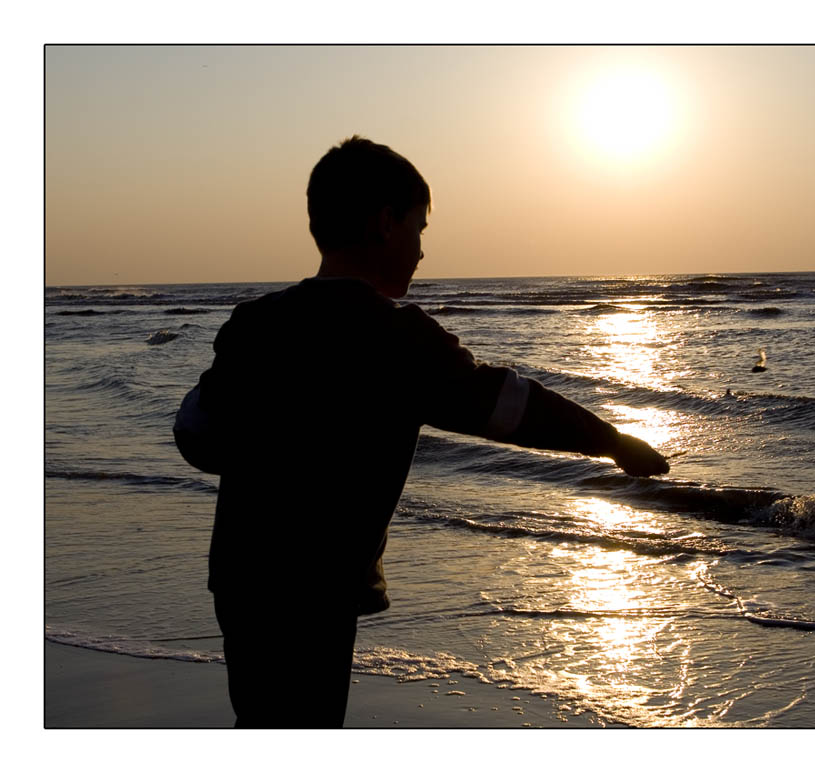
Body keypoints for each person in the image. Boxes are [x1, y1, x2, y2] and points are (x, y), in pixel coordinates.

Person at [173, 136, 669, 728]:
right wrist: (611, 440)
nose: (422, 251)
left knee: (263, 720)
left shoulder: (255, 323)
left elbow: (197, 434)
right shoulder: (396, 337)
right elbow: (508, 405)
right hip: (319, 583)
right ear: (385, 223)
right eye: (419, 228)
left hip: (242, 571)